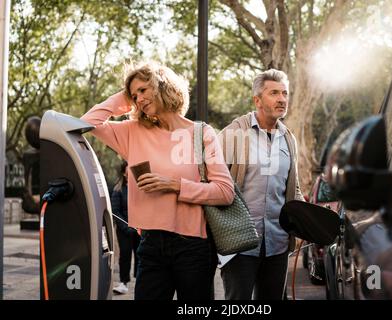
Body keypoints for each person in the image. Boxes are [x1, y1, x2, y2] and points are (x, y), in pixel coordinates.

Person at [81, 60, 234, 300]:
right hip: (151, 245)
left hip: (193, 247)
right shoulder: (131, 131)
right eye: (134, 95)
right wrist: (123, 98)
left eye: (143, 90)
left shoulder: (201, 133)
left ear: (162, 85)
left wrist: (174, 185)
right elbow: (88, 123)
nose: (138, 99)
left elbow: (225, 191)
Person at [218, 69, 305, 300]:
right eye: (274, 93)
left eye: (285, 93)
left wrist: (311, 220)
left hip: (277, 244)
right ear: (257, 100)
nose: (282, 99)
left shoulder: (289, 139)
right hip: (239, 245)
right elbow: (212, 183)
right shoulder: (233, 134)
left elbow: (293, 188)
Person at [111, 161, 141, 295]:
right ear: (124, 172)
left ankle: (141, 280)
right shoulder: (118, 190)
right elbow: (115, 211)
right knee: (125, 254)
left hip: (140, 229)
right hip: (124, 231)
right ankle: (123, 283)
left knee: (141, 254)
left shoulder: (141, 189)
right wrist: (126, 227)